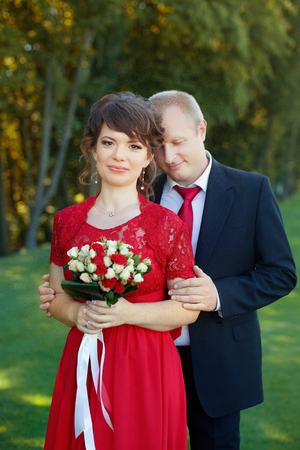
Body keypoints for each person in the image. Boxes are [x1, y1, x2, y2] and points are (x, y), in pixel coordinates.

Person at [39, 90, 297, 450]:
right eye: (159, 146)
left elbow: (281, 273)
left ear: (202, 130)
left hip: (219, 358)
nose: (169, 157)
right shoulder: (139, 189)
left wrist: (218, 295)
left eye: (178, 142)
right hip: (140, 358)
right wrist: (66, 298)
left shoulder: (251, 189)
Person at [42, 91, 200, 450]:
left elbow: (186, 308)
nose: (119, 155)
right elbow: (55, 297)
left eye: (133, 146)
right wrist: (78, 313)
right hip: (85, 357)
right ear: (92, 149)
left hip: (148, 366)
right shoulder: (67, 221)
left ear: (148, 157)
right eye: (109, 142)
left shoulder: (166, 224)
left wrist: (127, 312)